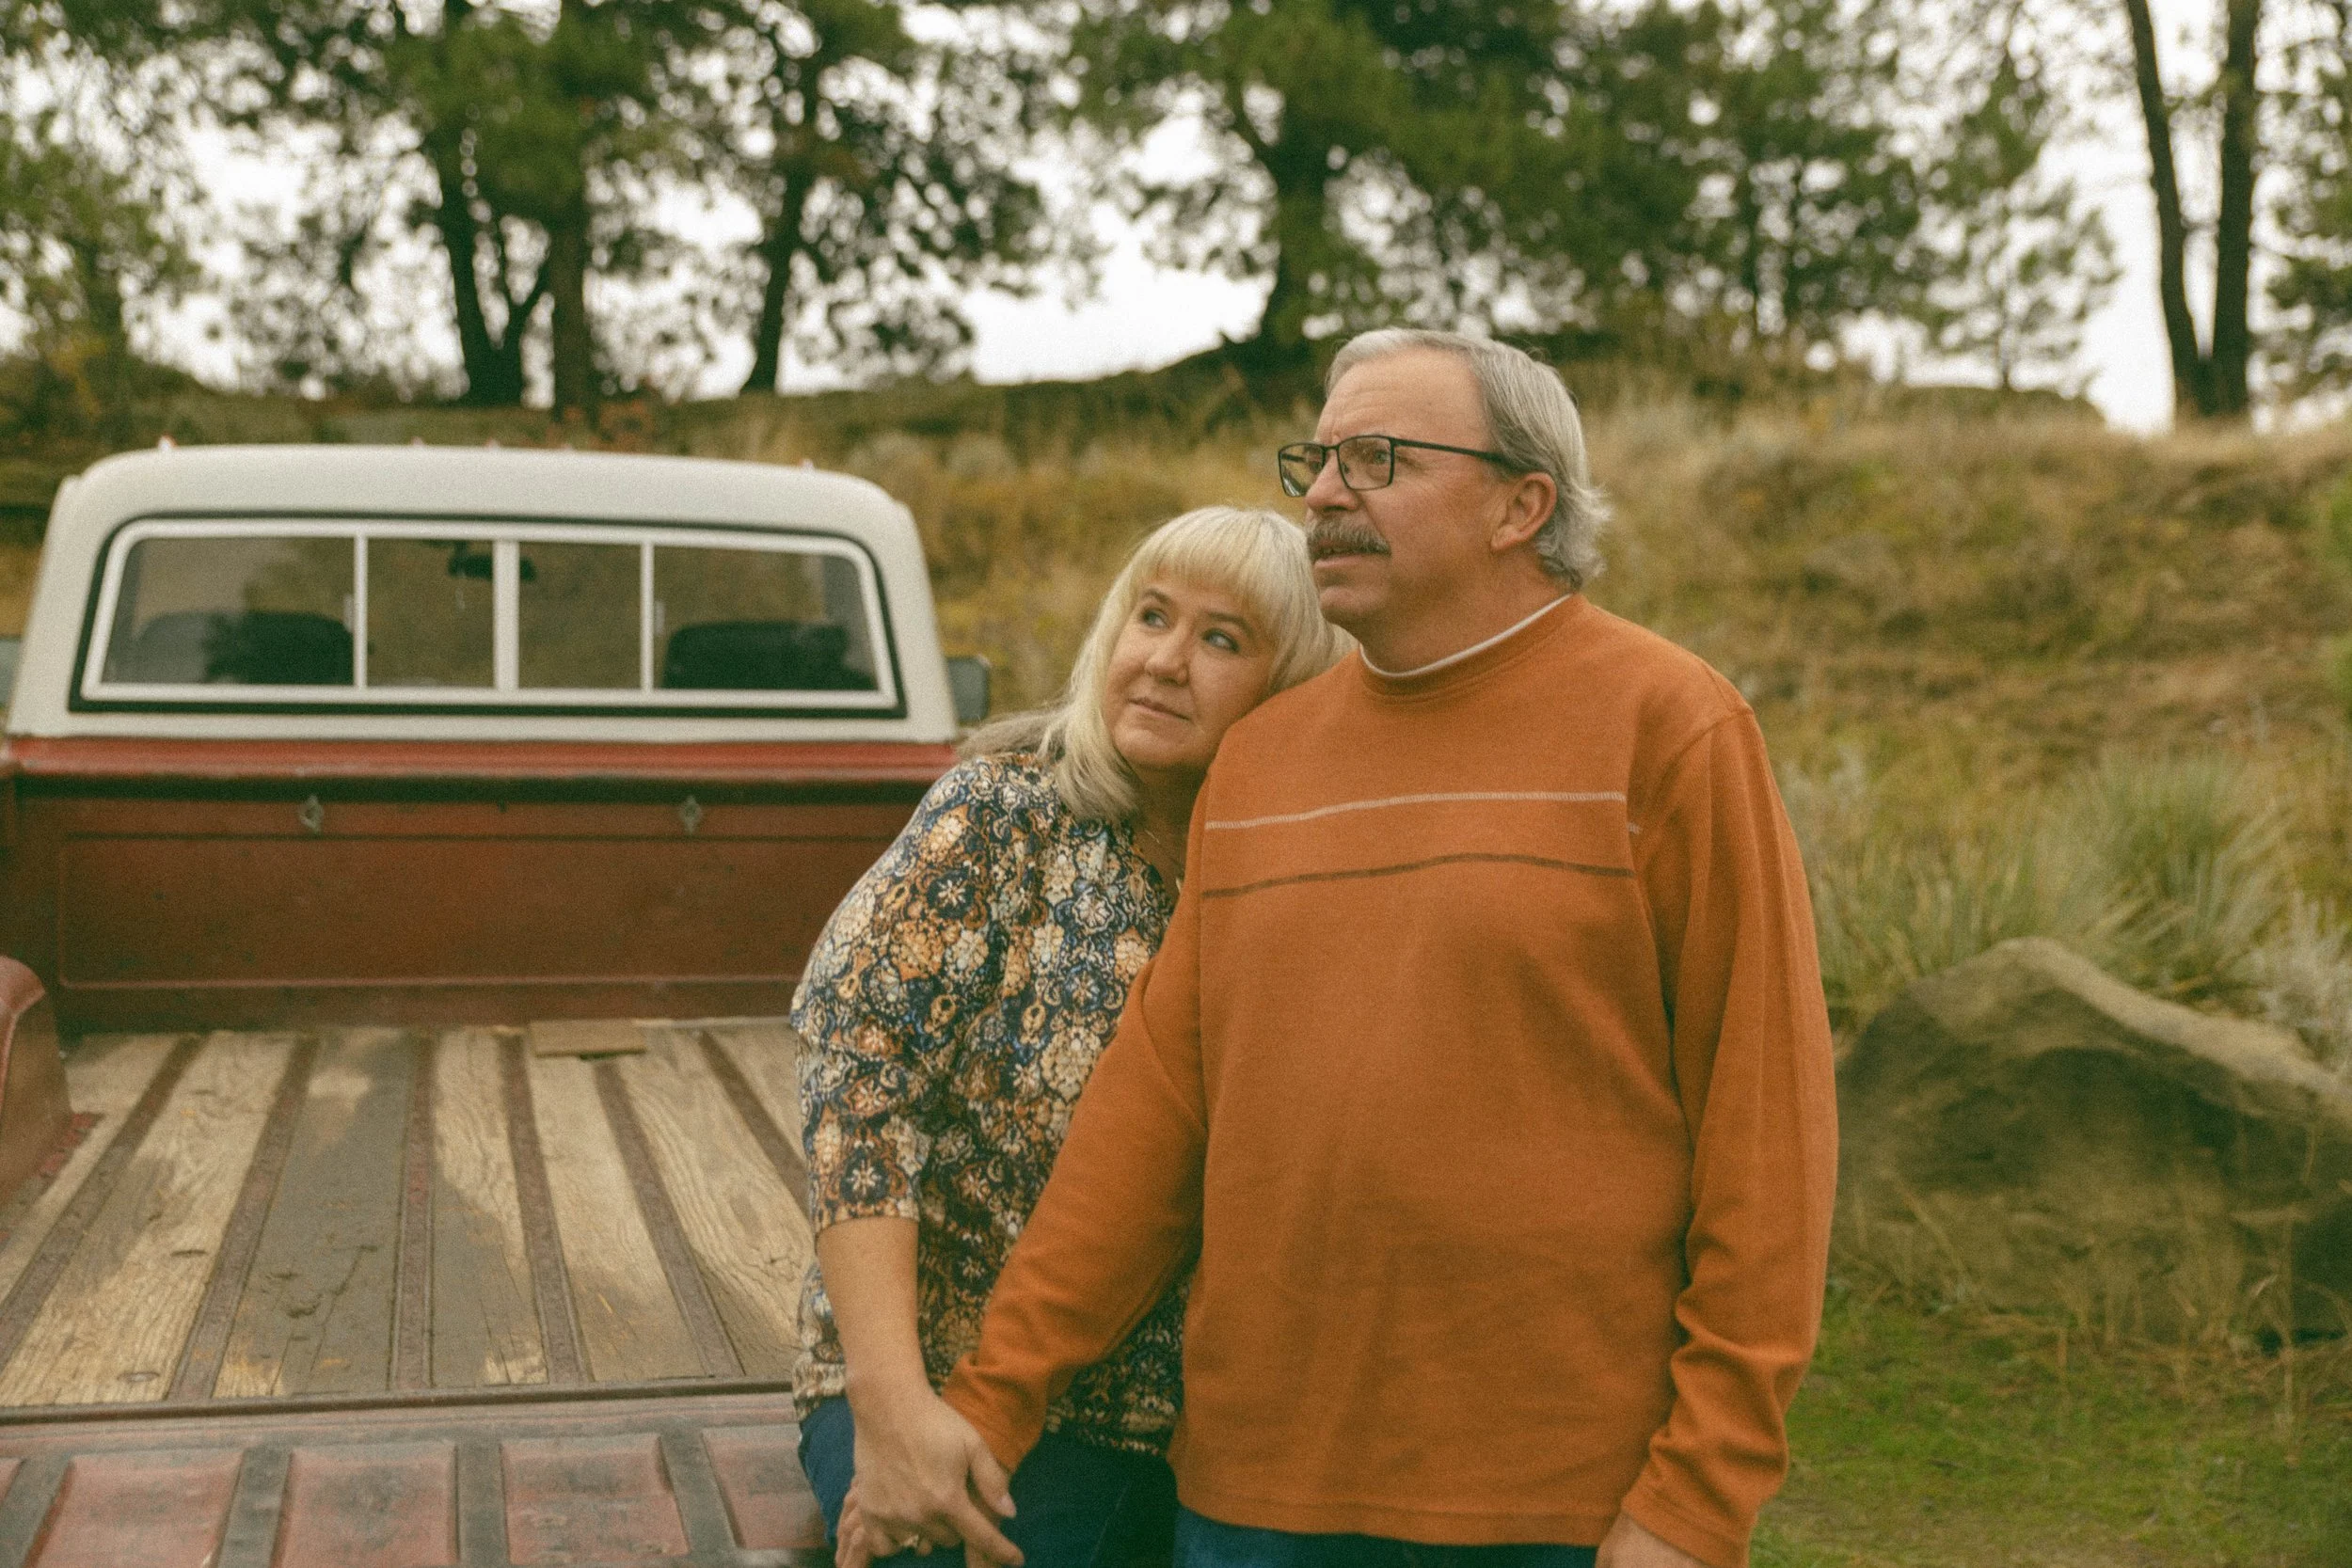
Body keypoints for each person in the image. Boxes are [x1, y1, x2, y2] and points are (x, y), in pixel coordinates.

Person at [925, 329, 1840, 1568]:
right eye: (1317, 460)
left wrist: (1698, 1494)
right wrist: (997, 1392)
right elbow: (1152, 1116)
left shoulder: (1671, 727)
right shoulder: (1261, 759)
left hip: (1559, 1504)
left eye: (1377, 458)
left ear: (1521, 505)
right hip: (1256, 1494)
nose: (1322, 494)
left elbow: (1765, 1130)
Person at [790, 504, 1353, 1568]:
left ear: (1295, 687)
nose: (1165, 660)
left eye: (1221, 638)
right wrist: (894, 1412)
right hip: (945, 1378)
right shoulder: (1001, 817)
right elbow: (858, 1087)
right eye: (1152, 615)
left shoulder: (1303, 881)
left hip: (1202, 1419)